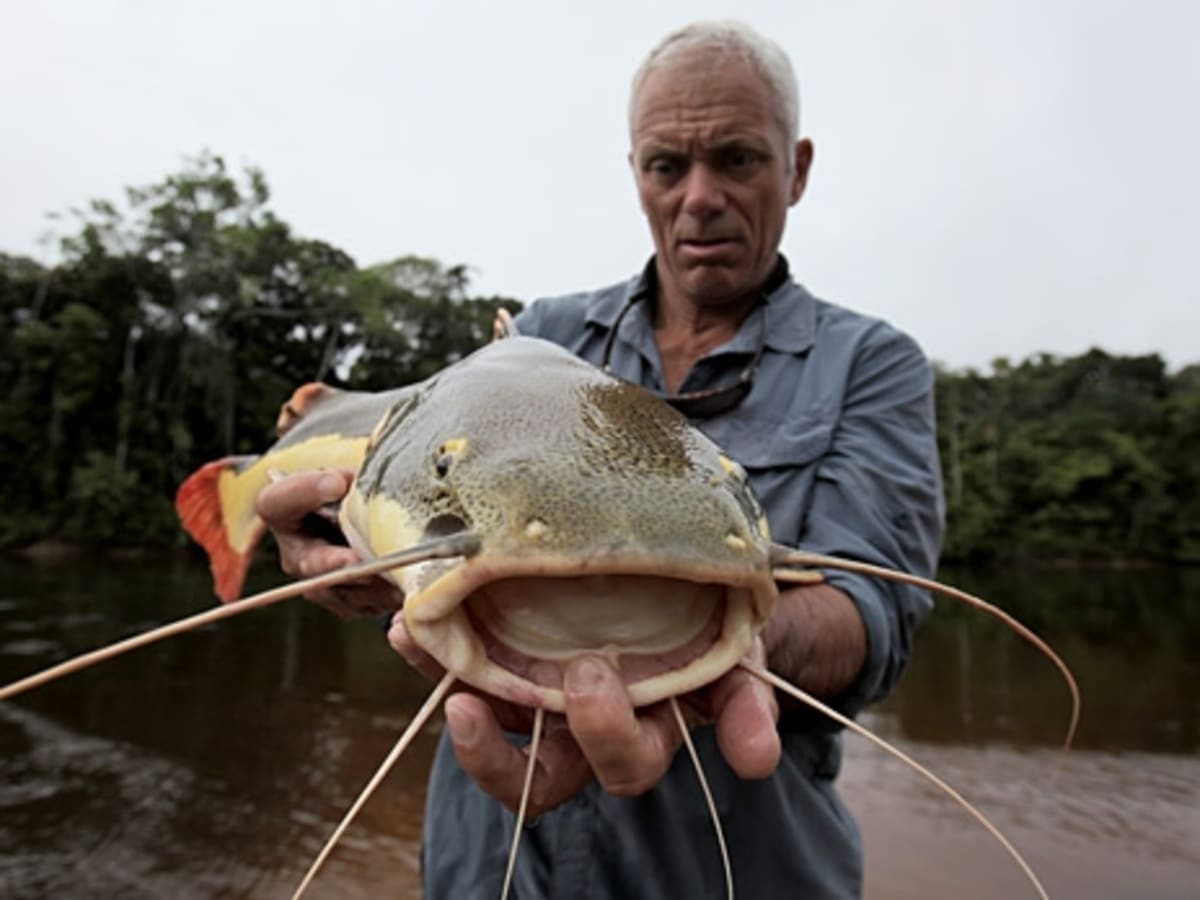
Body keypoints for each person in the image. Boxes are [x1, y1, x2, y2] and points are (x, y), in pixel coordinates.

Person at [258, 20, 943, 899]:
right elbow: (405, 494)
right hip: (494, 866)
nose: (699, 197)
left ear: (796, 168)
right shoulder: (540, 335)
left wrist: (710, 642)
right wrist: (344, 556)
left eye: (736, 159)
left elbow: (874, 609)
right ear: (636, 176)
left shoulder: (870, 363)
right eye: (667, 166)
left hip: (737, 871)